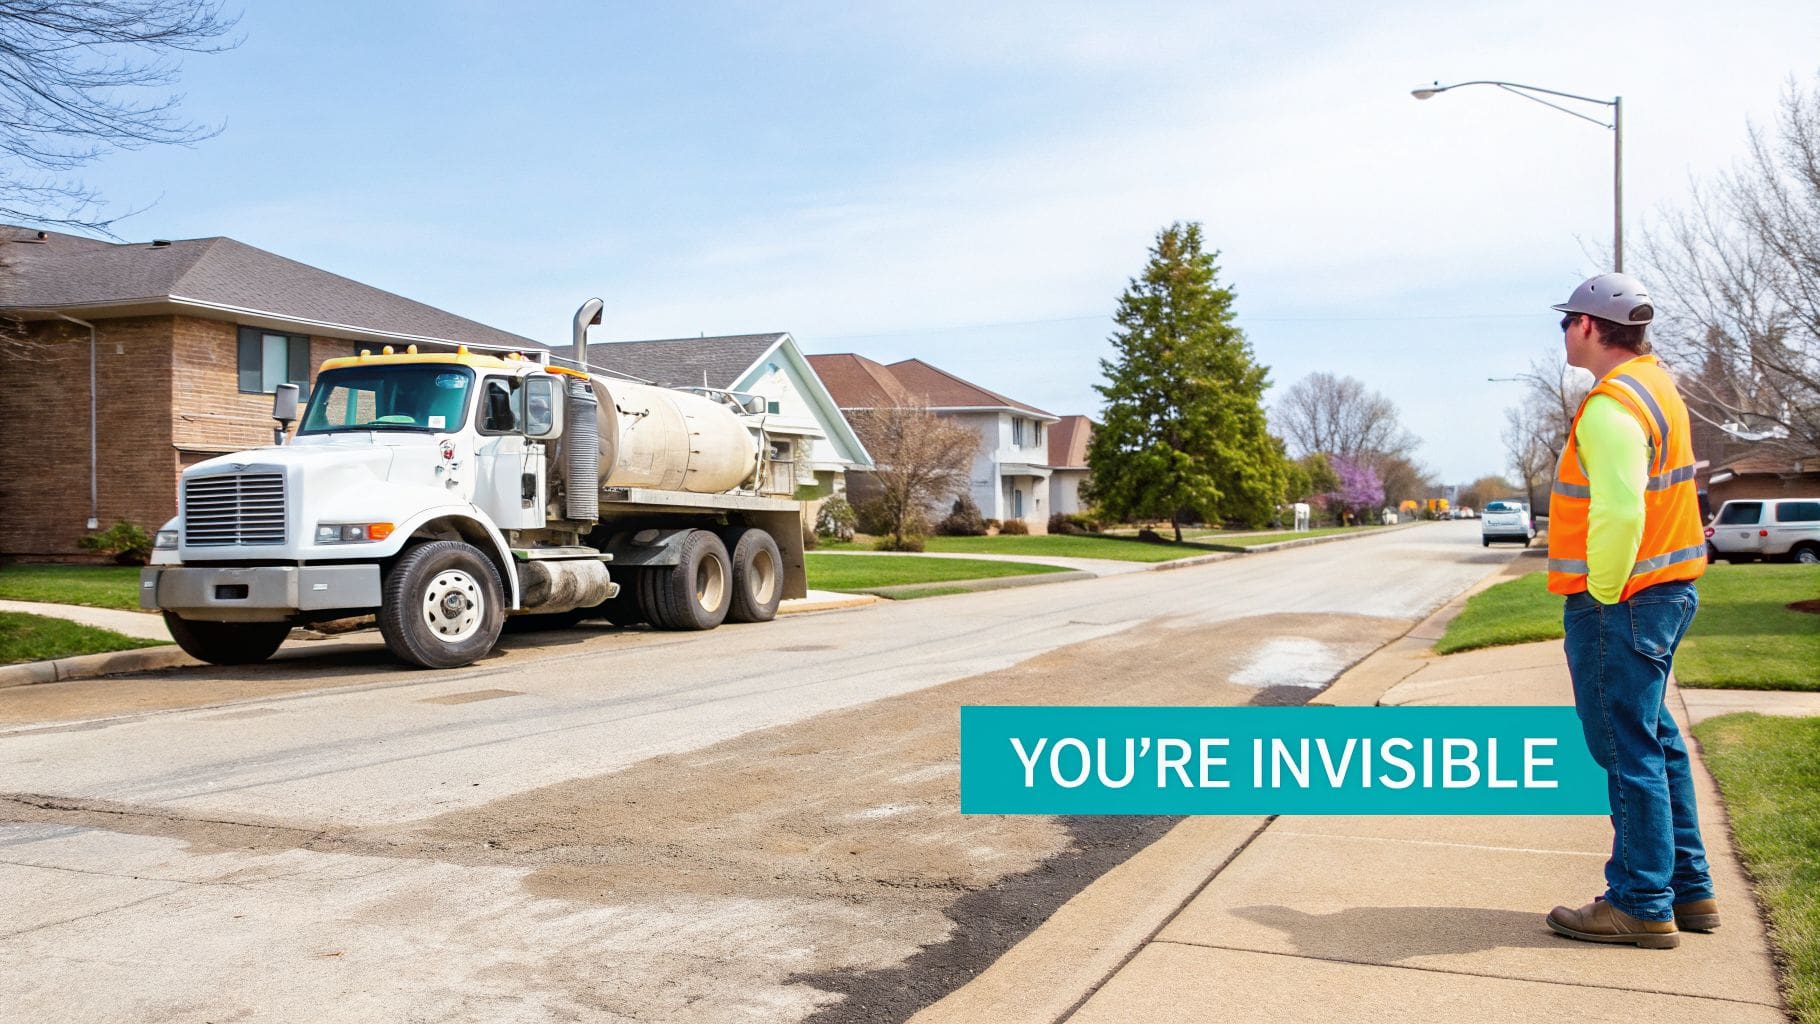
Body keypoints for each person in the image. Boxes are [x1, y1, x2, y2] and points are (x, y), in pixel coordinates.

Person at [1541, 273, 1715, 951]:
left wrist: (1606, 594)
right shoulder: (1657, 385)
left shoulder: (1613, 406)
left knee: (1624, 746)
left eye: (1565, 323)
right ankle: (1687, 887)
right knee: (1655, 739)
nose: (1561, 333)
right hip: (1666, 590)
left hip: (1624, 599)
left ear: (1588, 325)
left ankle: (1640, 901)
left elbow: (1619, 508)